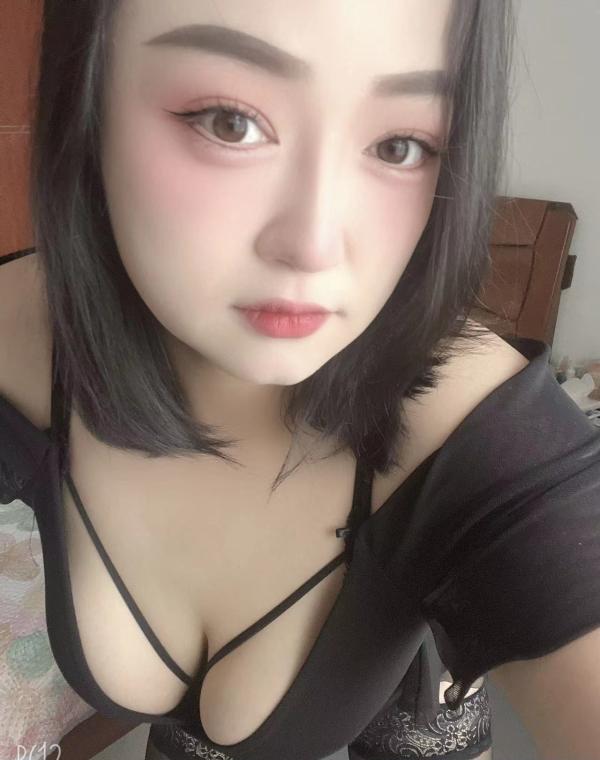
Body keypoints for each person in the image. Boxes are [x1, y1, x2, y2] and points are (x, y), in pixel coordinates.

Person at [1, 1, 599, 760]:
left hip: (413, 689)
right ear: (87, 99)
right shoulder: (21, 344)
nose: (315, 246)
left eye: (400, 145)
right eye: (229, 122)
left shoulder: (484, 430)